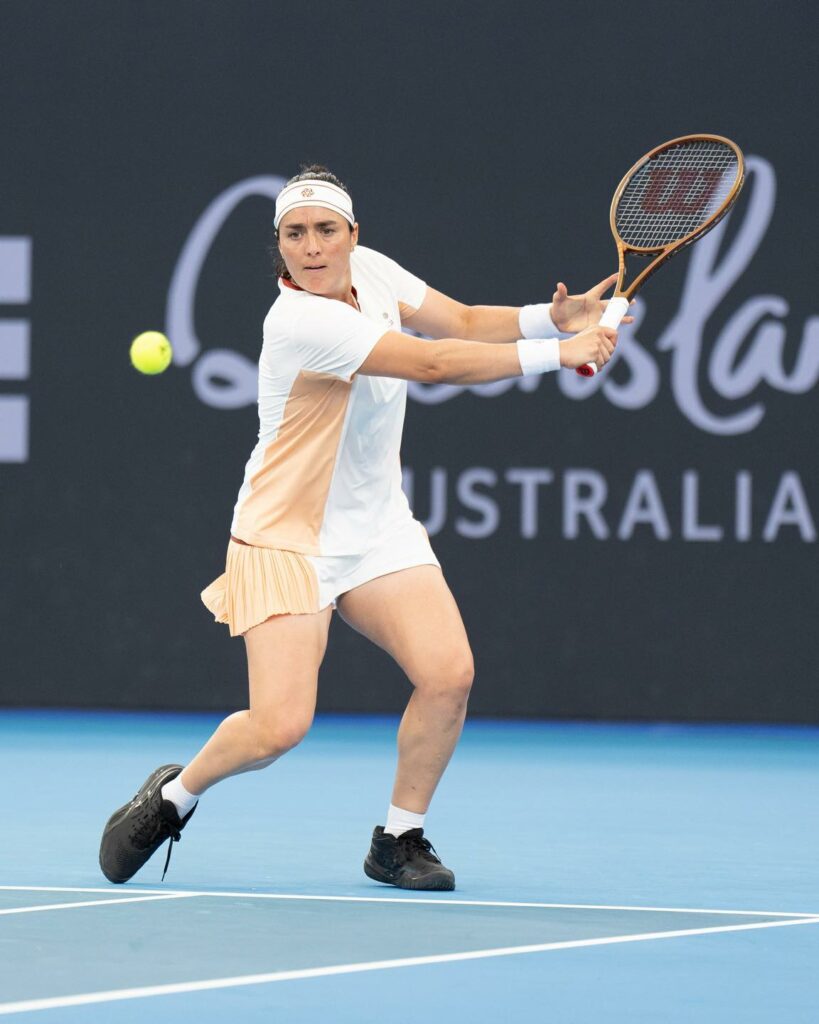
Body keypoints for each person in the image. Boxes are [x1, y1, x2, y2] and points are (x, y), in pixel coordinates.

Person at [99, 164, 624, 890]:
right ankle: (174, 795)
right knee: (278, 727)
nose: (311, 247)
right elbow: (433, 363)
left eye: (325, 230)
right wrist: (556, 355)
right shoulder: (299, 321)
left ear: (352, 235)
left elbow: (461, 323)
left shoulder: (371, 272)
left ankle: (398, 839)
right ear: (279, 245)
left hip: (376, 529)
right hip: (285, 537)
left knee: (448, 675)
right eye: (294, 234)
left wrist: (549, 319)